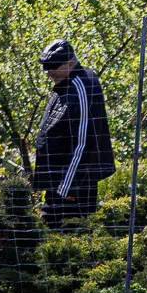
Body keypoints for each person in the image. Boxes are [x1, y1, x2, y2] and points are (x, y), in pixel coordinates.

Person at [31, 39, 114, 228]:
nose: (48, 73)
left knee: (68, 235)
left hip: (71, 187)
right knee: (52, 234)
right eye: (46, 68)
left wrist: (69, 185)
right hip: (59, 181)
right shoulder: (67, 81)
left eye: (53, 68)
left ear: (70, 63)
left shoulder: (81, 87)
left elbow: (85, 143)